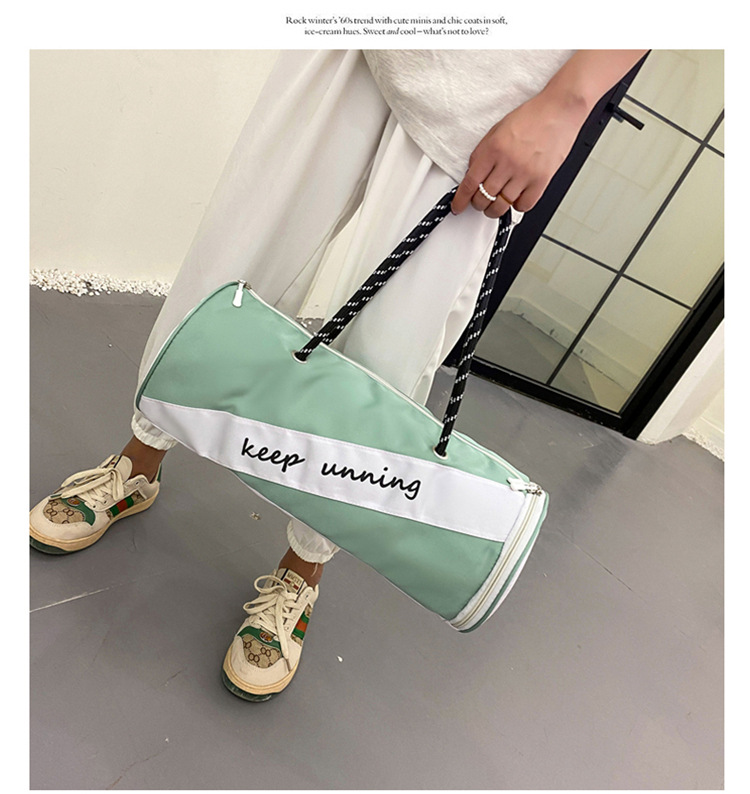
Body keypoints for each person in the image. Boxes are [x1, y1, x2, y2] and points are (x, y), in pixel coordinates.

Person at [29, 49, 649, 701]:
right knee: (234, 263)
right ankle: (138, 464)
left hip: (497, 92)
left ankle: (302, 569)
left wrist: (566, 103)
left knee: (388, 357)